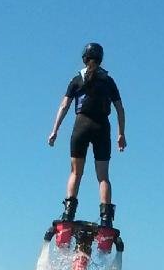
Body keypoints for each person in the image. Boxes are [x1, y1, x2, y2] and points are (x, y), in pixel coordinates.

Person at [47, 41, 126, 227]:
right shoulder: (108, 81)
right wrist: (121, 134)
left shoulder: (76, 80)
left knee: (76, 172)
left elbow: (64, 106)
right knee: (103, 176)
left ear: (84, 58)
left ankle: (68, 213)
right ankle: (106, 218)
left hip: (80, 127)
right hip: (102, 127)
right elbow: (120, 109)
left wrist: (55, 130)